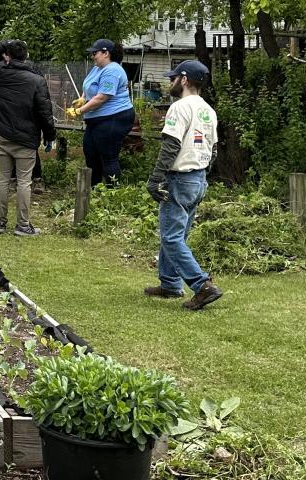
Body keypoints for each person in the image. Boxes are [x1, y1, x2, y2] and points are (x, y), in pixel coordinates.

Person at [144, 60, 222, 310]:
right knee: (177, 235)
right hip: (198, 178)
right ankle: (169, 284)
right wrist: (204, 174)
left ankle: (202, 285)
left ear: (185, 80)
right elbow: (214, 148)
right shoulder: (208, 110)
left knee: (171, 237)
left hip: (180, 178)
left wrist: (156, 178)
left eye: (174, 78)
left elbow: (171, 146)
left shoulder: (179, 108)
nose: (171, 81)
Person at [0, 39, 57, 236]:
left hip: (3, 135)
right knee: (24, 182)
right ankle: (23, 225)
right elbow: (45, 112)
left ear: (8, 55)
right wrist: (50, 136)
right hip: (26, 138)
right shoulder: (36, 80)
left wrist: (5, 43)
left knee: (2, 179)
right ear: (27, 55)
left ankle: (0, 223)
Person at [69, 39, 135, 186]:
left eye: (95, 53)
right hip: (96, 119)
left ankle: (112, 193)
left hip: (114, 118)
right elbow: (89, 87)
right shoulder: (98, 68)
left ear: (106, 53)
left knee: (108, 156)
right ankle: (93, 190)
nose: (92, 56)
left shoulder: (113, 70)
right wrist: (82, 98)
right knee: (90, 153)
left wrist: (79, 110)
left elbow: (102, 97)